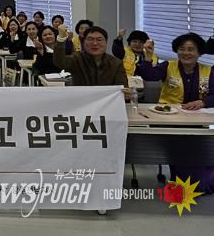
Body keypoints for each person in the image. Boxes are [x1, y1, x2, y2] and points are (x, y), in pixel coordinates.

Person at [136, 33, 214, 194]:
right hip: (169, 122)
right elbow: (149, 75)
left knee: (199, 156)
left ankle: (194, 183)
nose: (186, 53)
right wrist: (148, 57)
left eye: (191, 49)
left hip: (197, 124)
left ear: (199, 52)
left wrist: (203, 102)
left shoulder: (209, 71)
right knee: (182, 151)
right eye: (182, 49)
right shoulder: (168, 66)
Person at [53, 24, 129, 89]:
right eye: (90, 39)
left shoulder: (116, 63)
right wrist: (61, 39)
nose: (95, 43)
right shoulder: (77, 58)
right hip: (82, 99)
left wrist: (126, 94)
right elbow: (60, 62)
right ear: (84, 42)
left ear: (106, 42)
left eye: (99, 40)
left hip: (107, 101)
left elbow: (122, 87)